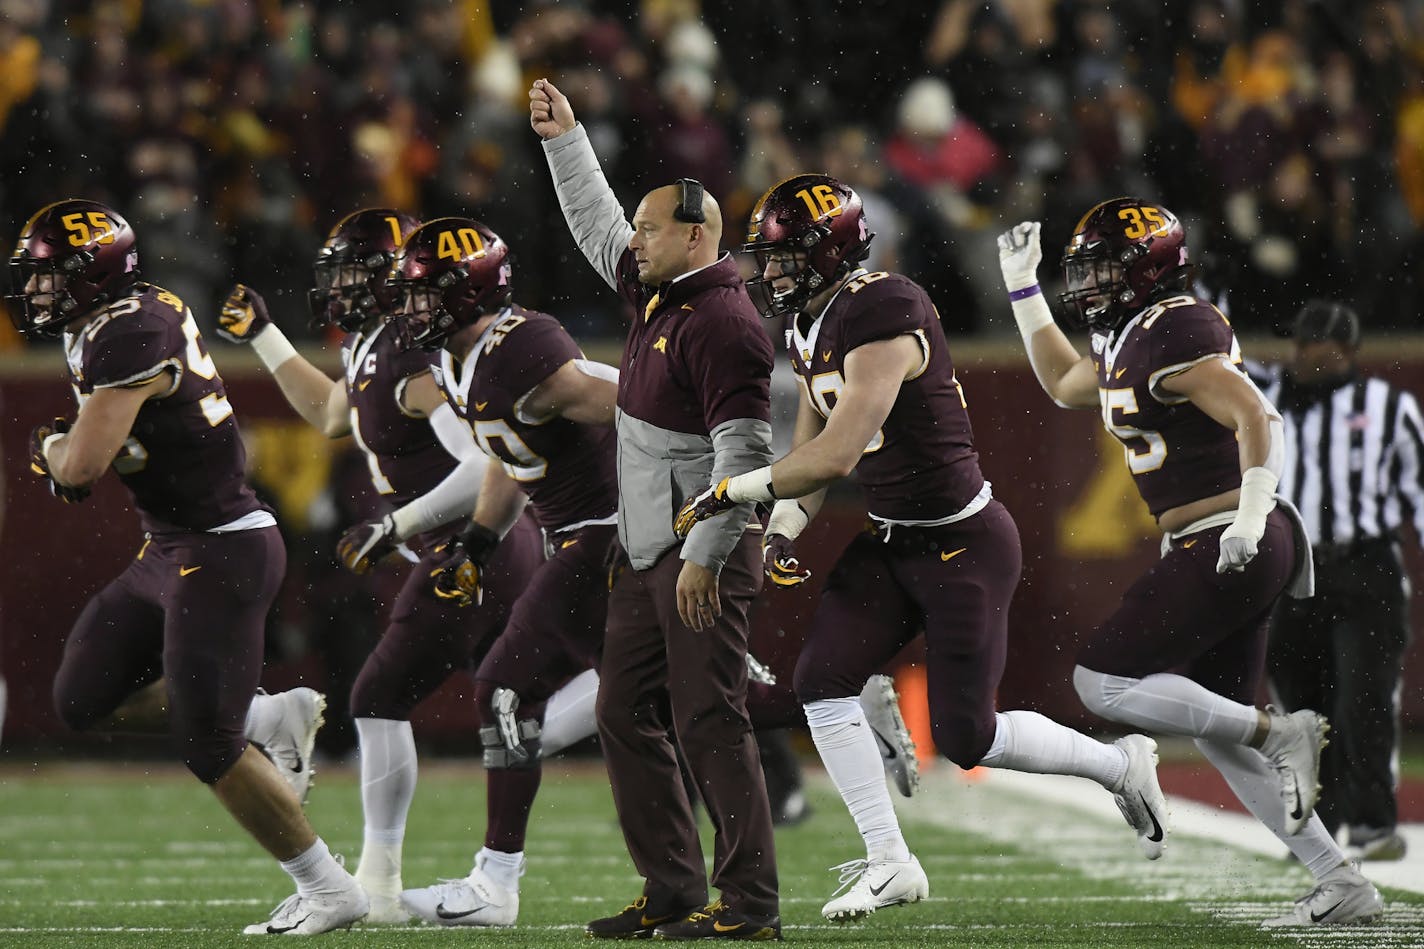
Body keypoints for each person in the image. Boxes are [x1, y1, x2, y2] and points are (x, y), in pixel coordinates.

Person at [675, 174, 1171, 924]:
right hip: (892, 537)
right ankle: (889, 860)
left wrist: (731, 493)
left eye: (783, 257)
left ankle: (1119, 764)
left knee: (969, 736)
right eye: (767, 257)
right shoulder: (811, 324)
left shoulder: (883, 308)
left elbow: (838, 454)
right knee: (821, 683)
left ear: (830, 252)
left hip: (963, 542)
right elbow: (810, 446)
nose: (769, 272)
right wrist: (783, 528)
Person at [995, 199, 1385, 927]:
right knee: (1216, 725)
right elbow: (1062, 382)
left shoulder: (1174, 324)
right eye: (1084, 270)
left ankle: (1281, 731)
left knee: (1101, 681)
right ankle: (1340, 880)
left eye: (1106, 267)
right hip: (1215, 540)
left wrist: (1248, 512)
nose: (1090, 283)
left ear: (1149, 268)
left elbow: (1256, 417)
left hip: (1231, 535)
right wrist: (1022, 287)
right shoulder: (1129, 336)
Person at [11, 198, 367, 936]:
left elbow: (77, 470)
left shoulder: (130, 332)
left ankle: (329, 886)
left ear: (95, 275)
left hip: (222, 546)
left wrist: (47, 449)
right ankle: (269, 713)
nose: (37, 292)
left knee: (208, 744)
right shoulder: (120, 316)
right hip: (169, 544)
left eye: (51, 277)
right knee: (83, 697)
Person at [217, 208, 551, 924]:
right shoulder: (381, 342)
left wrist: (402, 521)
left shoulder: (413, 349)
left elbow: (486, 460)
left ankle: (377, 885)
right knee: (520, 706)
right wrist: (266, 337)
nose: (335, 287)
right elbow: (335, 413)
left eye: (348, 272)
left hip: (475, 544)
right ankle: (492, 879)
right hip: (472, 547)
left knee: (379, 695)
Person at [531, 77, 782, 941]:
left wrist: (708, 554)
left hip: (696, 549)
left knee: (710, 717)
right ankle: (671, 887)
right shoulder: (662, 290)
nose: (631, 241)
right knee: (622, 711)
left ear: (697, 234)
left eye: (649, 228)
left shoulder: (723, 322)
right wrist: (567, 142)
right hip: (649, 549)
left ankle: (750, 906)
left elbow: (745, 455)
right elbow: (600, 225)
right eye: (637, 228)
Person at [376, 215, 622, 927]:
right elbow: (509, 457)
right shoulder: (461, 358)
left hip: (604, 538)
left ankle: (495, 881)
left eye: (425, 294)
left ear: (468, 293)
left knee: (503, 689)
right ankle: (829, 697)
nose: (411, 307)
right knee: (662, 703)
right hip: (572, 537)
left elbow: (639, 406)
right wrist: (480, 541)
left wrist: (684, 491)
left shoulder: (524, 347)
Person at [1253, 300, 1423, 863]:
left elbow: (1419, 491)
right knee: (1302, 710)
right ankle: (1318, 830)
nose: (1302, 355)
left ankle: (1374, 823)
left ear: (1346, 352)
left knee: (1364, 699)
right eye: (1299, 344)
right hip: (1296, 567)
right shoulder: (1270, 395)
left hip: (1366, 567)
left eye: (1315, 346)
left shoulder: (1390, 408)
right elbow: (1218, 351)